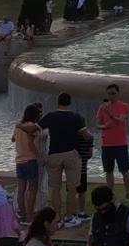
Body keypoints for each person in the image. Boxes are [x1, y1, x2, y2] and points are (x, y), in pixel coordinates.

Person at [30, 92, 90, 229]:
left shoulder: (51, 116)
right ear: (69, 103)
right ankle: (69, 217)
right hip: (71, 154)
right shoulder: (76, 117)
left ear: (58, 102)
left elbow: (34, 129)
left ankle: (56, 217)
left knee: (55, 189)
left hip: (54, 154)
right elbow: (86, 136)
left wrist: (20, 126)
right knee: (72, 188)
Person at [96, 83, 129, 199]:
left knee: (124, 170)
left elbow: (120, 121)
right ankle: (110, 193)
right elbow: (98, 124)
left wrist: (110, 115)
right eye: (109, 94)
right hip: (107, 144)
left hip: (120, 143)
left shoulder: (124, 106)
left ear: (118, 93)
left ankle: (127, 192)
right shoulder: (102, 108)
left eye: (113, 93)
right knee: (108, 170)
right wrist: (104, 126)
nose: (111, 96)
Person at [14, 104, 41, 223]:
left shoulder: (18, 125)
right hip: (30, 160)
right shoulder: (32, 127)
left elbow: (13, 139)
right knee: (32, 189)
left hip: (19, 160)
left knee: (21, 190)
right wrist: (39, 155)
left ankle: (22, 214)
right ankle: (30, 216)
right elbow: (31, 143)